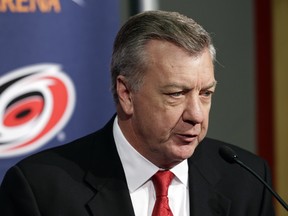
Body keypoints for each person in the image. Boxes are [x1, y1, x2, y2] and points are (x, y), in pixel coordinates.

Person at [0, 10, 274, 216]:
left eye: (205, 94)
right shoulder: (41, 189)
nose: (196, 115)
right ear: (126, 94)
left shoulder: (246, 180)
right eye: (176, 94)